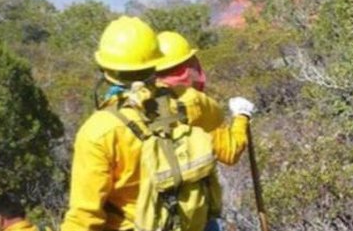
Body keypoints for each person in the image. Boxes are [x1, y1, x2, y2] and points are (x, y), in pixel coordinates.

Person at [61, 17, 250, 231]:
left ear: (105, 69)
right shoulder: (190, 101)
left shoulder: (98, 130)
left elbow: (85, 217)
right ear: (155, 62)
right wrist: (242, 117)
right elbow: (229, 149)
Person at [155, 31, 253, 231]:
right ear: (188, 66)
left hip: (149, 218)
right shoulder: (198, 103)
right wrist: (242, 116)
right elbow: (230, 152)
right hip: (197, 217)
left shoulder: (134, 105)